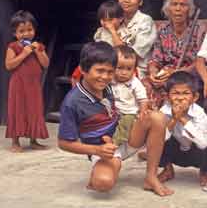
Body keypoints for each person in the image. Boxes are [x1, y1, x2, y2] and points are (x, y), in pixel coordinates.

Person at [57, 42, 173, 196]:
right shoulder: (72, 102)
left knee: (158, 118)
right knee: (103, 183)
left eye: (110, 72)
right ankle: (101, 169)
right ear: (83, 70)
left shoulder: (111, 84)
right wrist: (97, 150)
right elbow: (63, 143)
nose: (105, 77)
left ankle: (151, 177)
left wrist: (144, 109)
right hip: (104, 150)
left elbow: (134, 84)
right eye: (99, 71)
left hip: (128, 137)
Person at [147, 0, 205, 108]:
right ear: (168, 8)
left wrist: (177, 72)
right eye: (174, 4)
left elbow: (200, 61)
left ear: (189, 9)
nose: (178, 9)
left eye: (182, 5)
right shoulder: (163, 29)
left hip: (189, 73)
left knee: (180, 86)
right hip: (166, 73)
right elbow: (156, 59)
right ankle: (155, 120)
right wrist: (154, 73)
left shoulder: (199, 29)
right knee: (146, 84)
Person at [157, 71, 207, 189]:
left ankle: (204, 172)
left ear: (195, 97)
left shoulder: (200, 114)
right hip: (175, 152)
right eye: (175, 93)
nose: (180, 98)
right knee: (156, 136)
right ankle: (167, 169)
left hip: (196, 153)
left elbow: (203, 143)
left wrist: (182, 118)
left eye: (186, 93)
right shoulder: (163, 112)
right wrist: (173, 120)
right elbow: (159, 140)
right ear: (167, 97)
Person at [5, 10, 50, 152]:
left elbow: (46, 64)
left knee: (34, 110)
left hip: (34, 85)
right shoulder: (13, 47)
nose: (26, 34)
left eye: (29, 30)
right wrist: (24, 54)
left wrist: (38, 52)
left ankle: (34, 140)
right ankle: (15, 141)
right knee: (17, 109)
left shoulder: (38, 46)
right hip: (18, 85)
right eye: (21, 31)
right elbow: (9, 65)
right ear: (15, 33)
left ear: (34, 30)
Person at [116, 0, 157, 78]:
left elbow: (131, 56)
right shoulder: (114, 21)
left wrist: (112, 31)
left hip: (137, 71)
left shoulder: (145, 21)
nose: (126, 0)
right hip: (114, 69)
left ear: (140, 2)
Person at [111, 45, 149, 150]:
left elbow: (143, 99)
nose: (124, 72)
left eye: (129, 69)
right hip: (112, 111)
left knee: (125, 124)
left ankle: (117, 141)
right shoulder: (110, 80)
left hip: (128, 112)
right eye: (119, 68)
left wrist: (142, 111)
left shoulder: (134, 82)